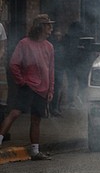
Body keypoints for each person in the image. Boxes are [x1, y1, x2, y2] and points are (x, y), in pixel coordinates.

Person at [0, 14, 57, 159]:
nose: (51, 28)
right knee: (15, 113)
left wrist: (51, 89)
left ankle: (35, 151)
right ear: (40, 27)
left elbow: (51, 70)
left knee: (36, 119)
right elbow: (14, 64)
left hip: (42, 90)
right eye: (47, 25)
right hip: (28, 86)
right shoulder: (24, 44)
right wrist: (21, 81)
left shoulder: (49, 47)